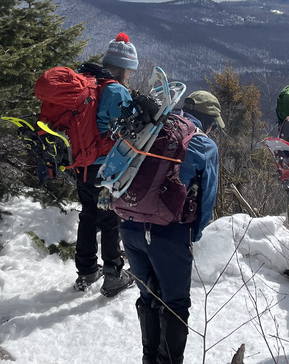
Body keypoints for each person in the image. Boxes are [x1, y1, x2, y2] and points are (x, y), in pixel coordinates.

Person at [120, 90, 219, 364]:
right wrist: (193, 234)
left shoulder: (151, 126)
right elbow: (208, 197)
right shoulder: (203, 144)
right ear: (208, 121)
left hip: (129, 223)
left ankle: (149, 359)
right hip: (169, 233)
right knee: (175, 304)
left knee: (147, 296)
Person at [71, 32, 140, 295]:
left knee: (88, 215)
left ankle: (87, 270)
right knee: (110, 219)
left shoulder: (89, 82)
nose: (130, 76)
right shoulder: (115, 89)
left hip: (82, 164)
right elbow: (129, 125)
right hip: (105, 167)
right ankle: (113, 275)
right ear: (124, 68)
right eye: (130, 71)